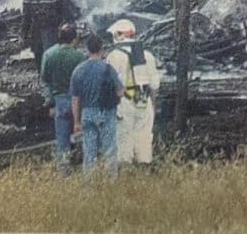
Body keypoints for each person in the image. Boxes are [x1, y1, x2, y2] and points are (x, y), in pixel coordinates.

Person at [105, 19, 161, 165]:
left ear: (119, 35)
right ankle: (144, 170)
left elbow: (109, 85)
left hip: (124, 102)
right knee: (143, 139)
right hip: (143, 98)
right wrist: (152, 106)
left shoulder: (113, 56)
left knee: (124, 139)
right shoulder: (147, 55)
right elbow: (155, 86)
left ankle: (126, 174)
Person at [70, 34, 123, 179]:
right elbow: (120, 92)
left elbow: (75, 100)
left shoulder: (78, 70)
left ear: (87, 49)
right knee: (110, 149)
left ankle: (89, 184)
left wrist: (76, 122)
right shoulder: (108, 69)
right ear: (102, 49)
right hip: (107, 112)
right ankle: (111, 181)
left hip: (87, 113)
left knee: (89, 151)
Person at [40, 23, 86, 175]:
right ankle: (83, 165)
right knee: (81, 133)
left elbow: (45, 80)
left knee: (62, 138)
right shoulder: (79, 56)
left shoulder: (48, 54)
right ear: (74, 39)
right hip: (77, 101)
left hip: (59, 100)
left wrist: (50, 103)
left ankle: (64, 171)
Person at [23, 0, 76, 71]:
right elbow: (26, 12)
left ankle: (53, 79)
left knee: (51, 54)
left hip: (51, 28)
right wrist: (24, 31)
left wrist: (69, 25)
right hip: (36, 28)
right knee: (38, 54)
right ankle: (42, 77)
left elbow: (66, 7)